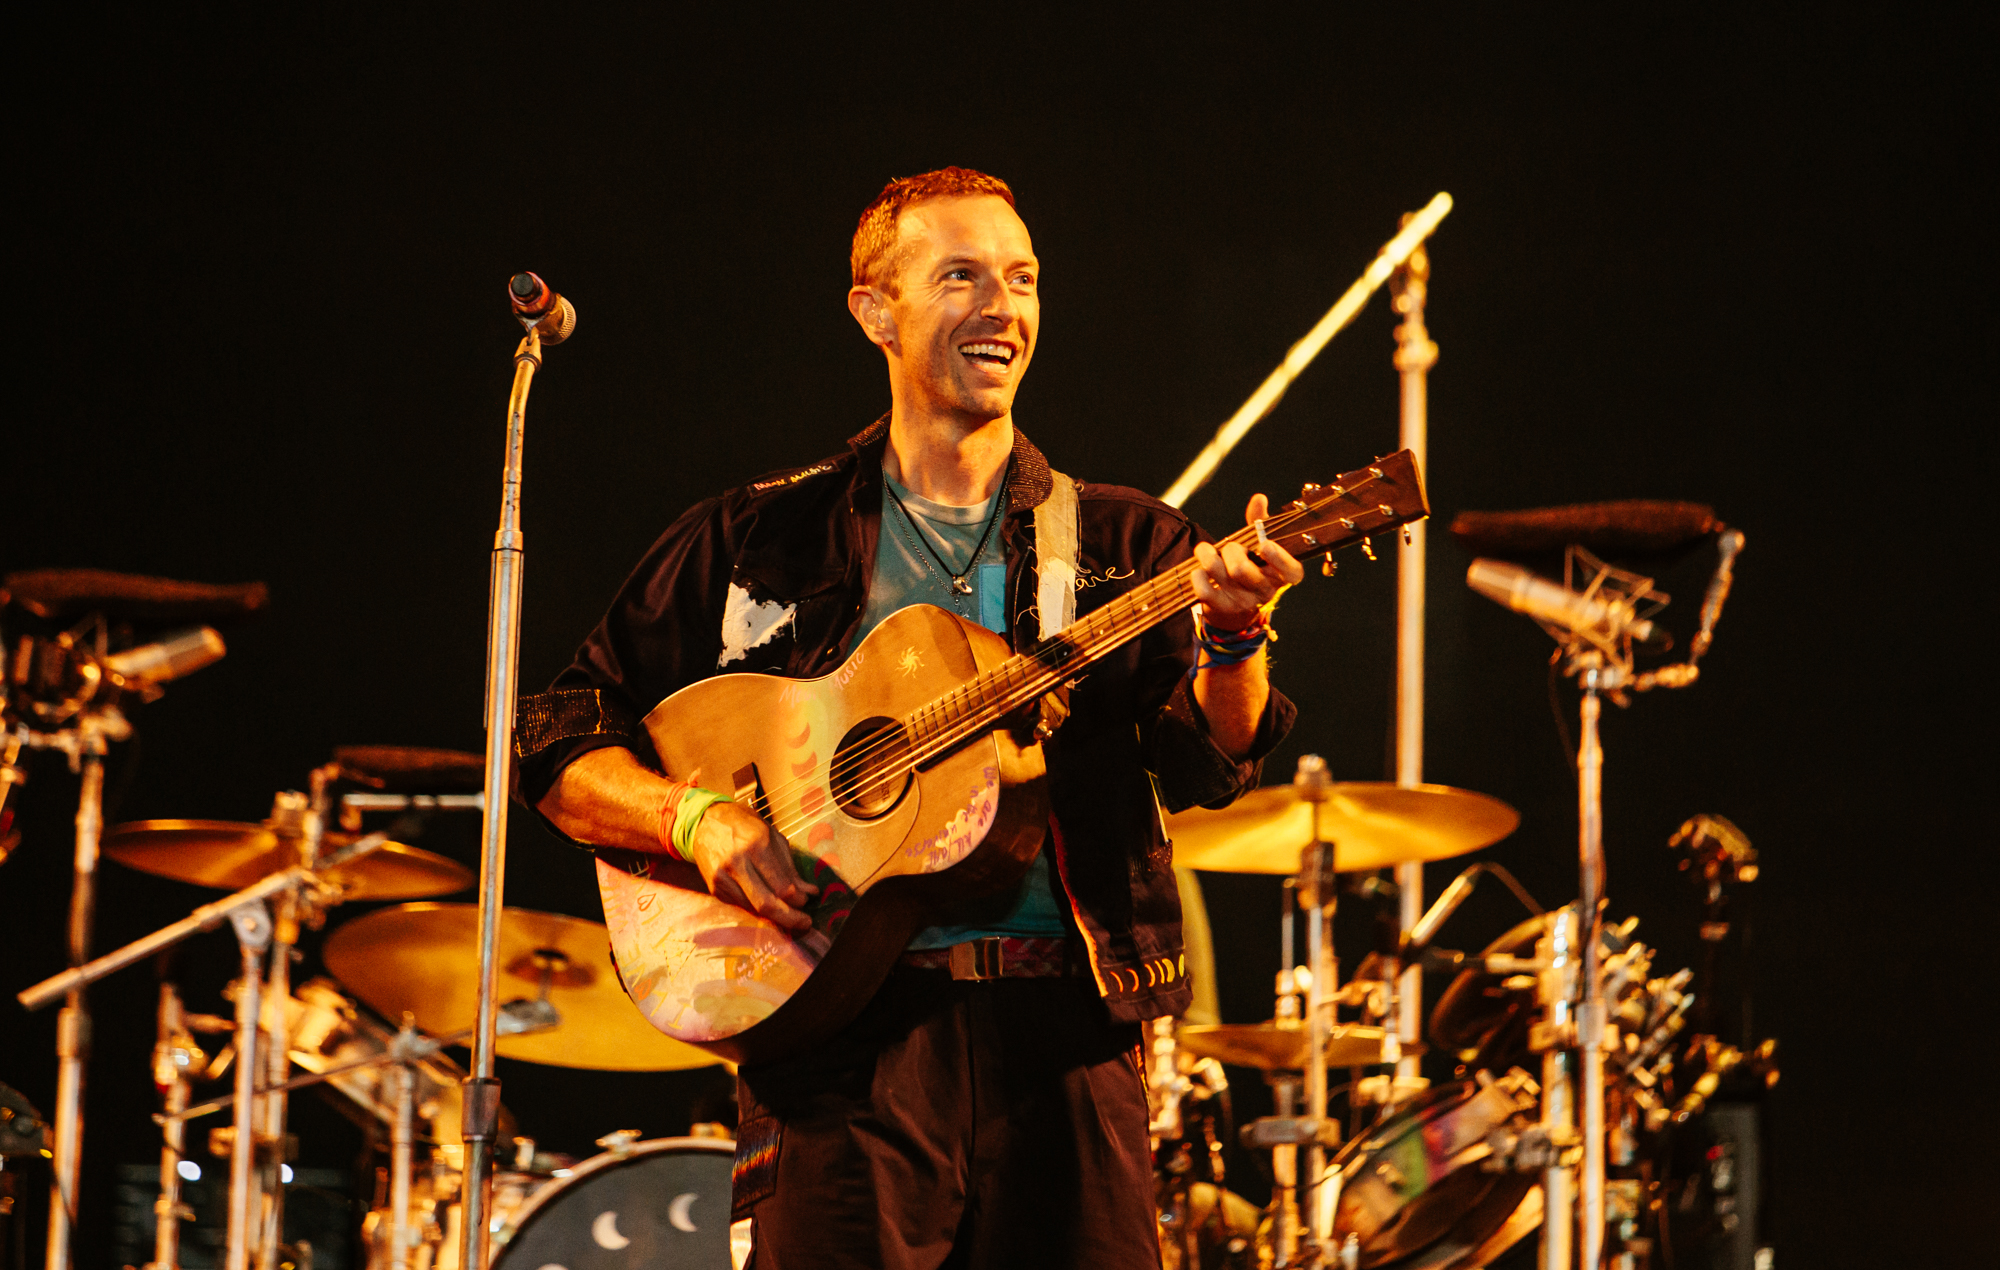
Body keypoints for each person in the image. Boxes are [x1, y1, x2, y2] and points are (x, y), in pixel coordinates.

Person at [515, 166, 1303, 1269]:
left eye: (1022, 278)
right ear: (873, 311)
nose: (1003, 306)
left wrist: (1233, 637)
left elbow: (1212, 760)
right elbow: (555, 732)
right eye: (961, 276)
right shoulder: (760, 537)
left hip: (1067, 1043)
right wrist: (694, 820)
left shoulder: (1127, 545)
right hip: (836, 1046)